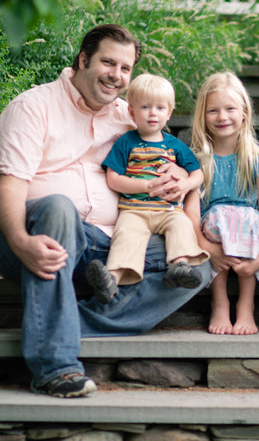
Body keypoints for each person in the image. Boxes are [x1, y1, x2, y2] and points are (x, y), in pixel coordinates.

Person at [0, 24, 211, 398]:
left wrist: (184, 177)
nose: (117, 75)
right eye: (108, 63)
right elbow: (11, 185)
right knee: (58, 207)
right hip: (41, 236)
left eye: (125, 68)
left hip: (111, 246)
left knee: (196, 263)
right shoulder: (33, 107)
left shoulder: (129, 116)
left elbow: (171, 159)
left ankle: (60, 321)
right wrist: (18, 240)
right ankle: (56, 367)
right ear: (83, 60)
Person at [86, 73, 209, 303]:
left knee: (181, 225)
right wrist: (146, 185)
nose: (153, 113)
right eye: (145, 107)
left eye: (160, 108)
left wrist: (185, 183)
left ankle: (179, 265)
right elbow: (113, 178)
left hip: (168, 211)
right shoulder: (126, 142)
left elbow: (198, 173)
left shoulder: (174, 145)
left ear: (169, 113)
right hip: (134, 210)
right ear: (131, 112)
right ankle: (110, 279)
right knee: (126, 236)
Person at [184, 71, 259, 335]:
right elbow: (190, 214)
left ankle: (246, 305)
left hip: (252, 238)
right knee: (221, 216)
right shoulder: (195, 161)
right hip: (209, 237)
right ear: (203, 115)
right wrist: (207, 248)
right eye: (213, 110)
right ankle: (220, 302)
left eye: (230, 109)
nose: (222, 117)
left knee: (246, 217)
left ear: (244, 112)